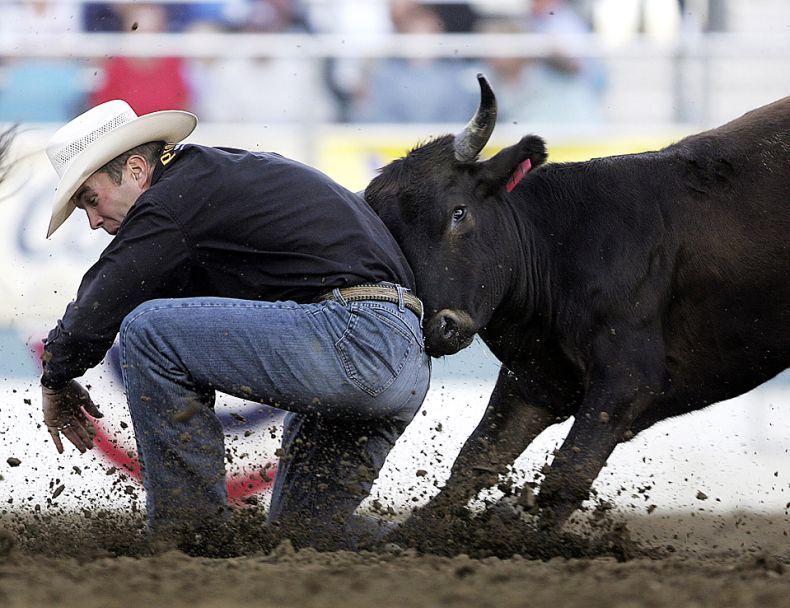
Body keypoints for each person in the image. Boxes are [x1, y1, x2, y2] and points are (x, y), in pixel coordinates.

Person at [39, 100, 431, 553]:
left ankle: (188, 539)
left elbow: (99, 306)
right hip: (400, 358)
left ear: (134, 170)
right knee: (303, 541)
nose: (92, 221)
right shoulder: (213, 179)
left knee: (147, 330)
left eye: (91, 199)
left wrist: (55, 377)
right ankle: (439, 545)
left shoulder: (172, 199)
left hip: (356, 340)